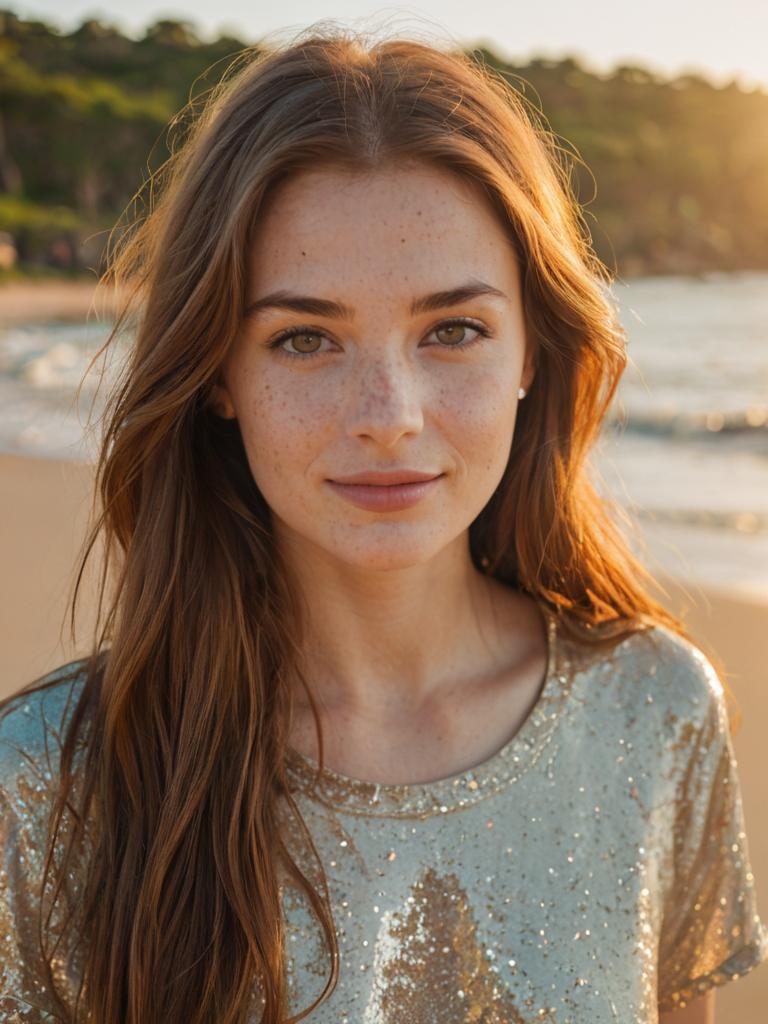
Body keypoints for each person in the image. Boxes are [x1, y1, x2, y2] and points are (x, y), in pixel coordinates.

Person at [0, 26, 766, 1024]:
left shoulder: (653, 715)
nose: (390, 411)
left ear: (533, 349)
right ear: (219, 375)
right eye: (305, 338)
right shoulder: (51, 783)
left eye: (453, 330)